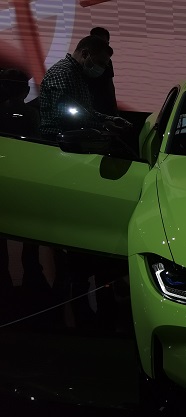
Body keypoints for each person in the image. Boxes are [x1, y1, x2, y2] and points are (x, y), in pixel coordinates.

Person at [0, 69, 50, 293]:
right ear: (24, 90)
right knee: (30, 230)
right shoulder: (31, 114)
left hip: (7, 175)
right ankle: (32, 272)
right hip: (27, 175)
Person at [39, 35, 131, 140]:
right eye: (100, 63)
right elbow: (65, 118)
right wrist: (103, 125)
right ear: (85, 54)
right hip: (57, 141)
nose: (102, 69)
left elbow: (84, 112)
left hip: (71, 139)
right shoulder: (63, 73)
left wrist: (111, 119)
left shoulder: (78, 74)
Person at [87, 27, 119, 116]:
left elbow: (110, 84)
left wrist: (114, 109)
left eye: (104, 43)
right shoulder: (83, 60)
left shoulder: (107, 61)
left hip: (103, 106)